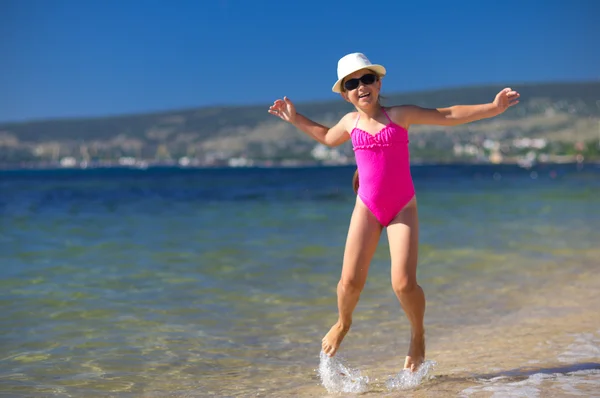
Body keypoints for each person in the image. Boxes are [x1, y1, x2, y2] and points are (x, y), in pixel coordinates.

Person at [268, 52, 520, 372]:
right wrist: (295, 117)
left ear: (378, 82)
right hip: (367, 207)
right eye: (352, 83)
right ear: (345, 94)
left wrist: (493, 108)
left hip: (402, 207)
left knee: (403, 284)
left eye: (367, 79)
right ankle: (344, 323)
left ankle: (418, 334)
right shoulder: (350, 122)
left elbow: (448, 114)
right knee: (348, 284)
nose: (361, 86)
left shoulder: (399, 115)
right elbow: (327, 138)